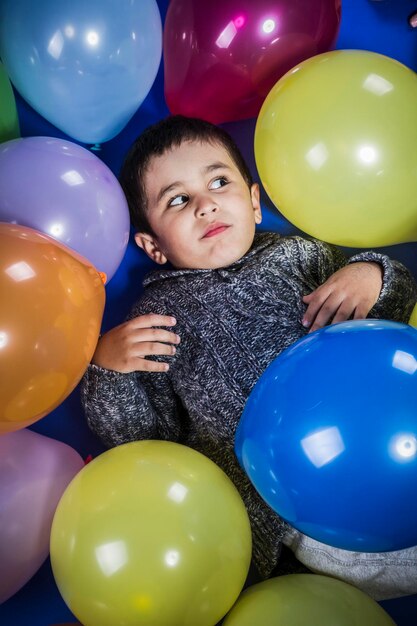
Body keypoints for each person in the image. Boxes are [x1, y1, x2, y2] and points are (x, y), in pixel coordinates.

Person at [81, 115, 417, 600]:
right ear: (153, 246)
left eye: (219, 182)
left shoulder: (298, 256)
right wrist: (109, 368)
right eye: (178, 199)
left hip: (384, 435)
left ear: (255, 203)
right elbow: (145, 442)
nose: (206, 204)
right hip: (297, 504)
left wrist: (372, 273)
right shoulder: (155, 319)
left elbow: (389, 318)